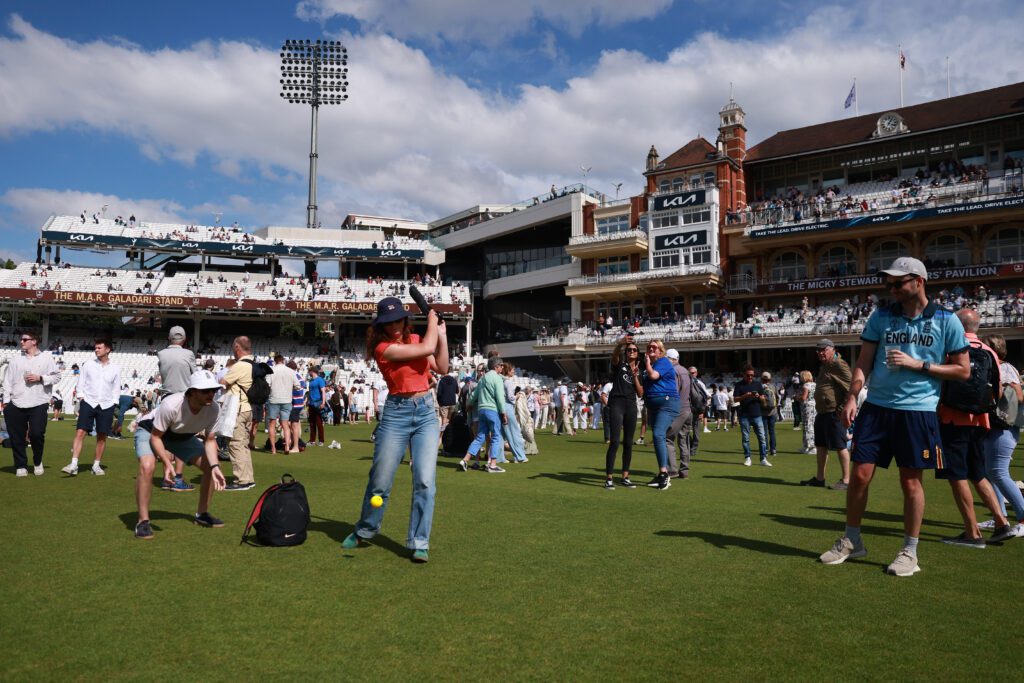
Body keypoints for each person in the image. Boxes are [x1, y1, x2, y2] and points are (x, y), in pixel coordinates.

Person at [820, 256, 970, 577]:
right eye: (889, 283)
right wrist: (851, 397)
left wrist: (920, 365)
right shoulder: (882, 316)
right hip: (876, 407)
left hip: (918, 412)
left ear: (919, 281)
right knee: (859, 476)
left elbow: (962, 369)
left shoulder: (947, 320)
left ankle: (910, 551)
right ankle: (852, 540)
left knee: (910, 481)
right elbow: (863, 362)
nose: (892, 289)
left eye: (898, 283)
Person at [342, 297, 448, 563]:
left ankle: (419, 541)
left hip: (425, 412)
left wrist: (443, 336)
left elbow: (443, 367)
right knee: (380, 480)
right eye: (388, 323)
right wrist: (433, 322)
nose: (395, 326)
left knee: (425, 481)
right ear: (382, 326)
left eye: (398, 320)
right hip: (396, 414)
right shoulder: (382, 348)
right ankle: (365, 529)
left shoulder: (415, 339)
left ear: (404, 319)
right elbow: (427, 347)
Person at [935, 309, 1015, 546]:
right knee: (977, 473)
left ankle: (972, 532)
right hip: (981, 421)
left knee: (956, 475)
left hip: (951, 418)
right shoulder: (990, 352)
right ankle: (1001, 523)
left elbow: (939, 382)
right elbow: (998, 392)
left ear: (956, 325)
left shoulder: (952, 348)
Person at [133, 370, 227, 539]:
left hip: (181, 436)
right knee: (147, 466)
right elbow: (156, 437)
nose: (211, 394)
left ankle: (202, 514)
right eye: (205, 391)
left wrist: (214, 466)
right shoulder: (172, 404)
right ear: (192, 392)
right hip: (150, 431)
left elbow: (210, 440)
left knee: (210, 468)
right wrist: (167, 463)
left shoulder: (214, 409)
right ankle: (143, 521)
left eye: (213, 390)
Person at [981, 334, 1024, 536]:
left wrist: (991, 390)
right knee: (992, 473)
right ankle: (1000, 516)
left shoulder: (1004, 368)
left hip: (1004, 425)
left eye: (985, 345)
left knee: (998, 472)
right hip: (994, 426)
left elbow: (1018, 395)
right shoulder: (992, 367)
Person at [2, 331, 60, 477]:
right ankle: (21, 465)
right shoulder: (16, 360)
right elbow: (7, 381)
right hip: (16, 401)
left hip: (38, 401)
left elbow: (57, 376)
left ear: (34, 341)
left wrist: (40, 377)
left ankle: (37, 461)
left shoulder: (47, 359)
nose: (21, 342)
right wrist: (7, 402)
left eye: (24, 339)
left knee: (36, 434)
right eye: (21, 339)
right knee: (17, 436)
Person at [60, 339, 120, 476]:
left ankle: (96, 465)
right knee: (80, 432)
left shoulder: (115, 368)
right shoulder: (87, 365)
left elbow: (116, 387)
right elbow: (80, 383)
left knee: (101, 436)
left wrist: (114, 402)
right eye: (96, 347)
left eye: (99, 347)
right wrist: (82, 397)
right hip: (89, 402)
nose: (96, 349)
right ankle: (74, 464)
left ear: (108, 349)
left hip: (107, 405)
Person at [800, 339, 852, 488]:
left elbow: (851, 388)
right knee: (821, 446)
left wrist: (841, 410)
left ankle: (846, 480)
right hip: (822, 412)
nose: (820, 353)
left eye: (823, 350)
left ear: (833, 349)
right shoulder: (825, 366)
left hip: (834, 413)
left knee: (840, 446)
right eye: (818, 351)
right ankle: (820, 478)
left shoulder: (839, 365)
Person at [157, 326, 197, 491]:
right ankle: (178, 479)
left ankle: (167, 477)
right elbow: (193, 375)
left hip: (166, 398)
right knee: (182, 440)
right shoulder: (188, 354)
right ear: (184, 339)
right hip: (183, 399)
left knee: (167, 441)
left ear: (169, 337)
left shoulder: (161, 354)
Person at [457, 356, 507, 473]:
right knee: (495, 436)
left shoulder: (483, 378)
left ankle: (465, 460)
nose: (502, 367)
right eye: (501, 365)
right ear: (496, 367)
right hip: (492, 410)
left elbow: (474, 395)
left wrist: (468, 404)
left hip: (481, 410)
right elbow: (500, 398)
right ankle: (492, 464)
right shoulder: (497, 378)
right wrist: (503, 413)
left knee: (480, 437)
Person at [603, 340, 642, 489]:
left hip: (631, 405)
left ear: (638, 354)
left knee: (628, 443)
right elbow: (614, 358)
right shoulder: (620, 365)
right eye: (629, 350)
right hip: (617, 403)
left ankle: (625, 477)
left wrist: (636, 376)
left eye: (634, 350)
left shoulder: (639, 370)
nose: (631, 351)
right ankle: (609, 478)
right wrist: (620, 344)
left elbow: (640, 393)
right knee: (615, 441)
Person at [641, 340, 679, 490]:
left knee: (658, 435)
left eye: (654, 347)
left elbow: (653, 376)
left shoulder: (663, 361)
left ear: (660, 351)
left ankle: (664, 473)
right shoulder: (653, 364)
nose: (651, 348)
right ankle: (661, 472)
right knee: (658, 437)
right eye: (649, 346)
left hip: (666, 404)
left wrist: (647, 363)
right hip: (655, 406)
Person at [219, 336, 256, 491]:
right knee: (243, 445)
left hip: (237, 408)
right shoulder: (253, 363)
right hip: (247, 407)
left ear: (237, 347)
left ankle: (242, 480)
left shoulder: (240, 366)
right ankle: (248, 478)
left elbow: (222, 382)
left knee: (235, 444)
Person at [734, 365, 770, 467]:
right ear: (744, 374)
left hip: (757, 414)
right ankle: (748, 458)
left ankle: (763, 458)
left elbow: (763, 399)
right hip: (744, 415)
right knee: (746, 438)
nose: (750, 377)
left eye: (752, 375)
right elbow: (735, 399)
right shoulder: (739, 385)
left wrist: (759, 397)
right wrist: (745, 396)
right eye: (748, 375)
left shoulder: (758, 384)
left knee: (762, 437)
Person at [665, 349, 693, 480]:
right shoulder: (685, 371)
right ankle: (684, 470)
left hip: (678, 409)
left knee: (668, 438)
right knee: (684, 440)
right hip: (688, 409)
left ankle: (672, 469)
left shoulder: (674, 371)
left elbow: (673, 391)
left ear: (670, 359)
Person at [267, 353, 300, 454]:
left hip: (274, 399)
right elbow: (298, 386)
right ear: (283, 361)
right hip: (286, 400)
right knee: (285, 424)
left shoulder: (271, 370)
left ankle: (273, 449)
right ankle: (287, 447)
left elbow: (267, 384)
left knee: (272, 424)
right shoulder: (290, 371)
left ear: (275, 361)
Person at [500, 362, 528, 463]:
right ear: (508, 371)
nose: (514, 371)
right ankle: (519, 456)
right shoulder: (508, 382)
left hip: (503, 408)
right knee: (514, 432)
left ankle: (500, 457)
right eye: (512, 370)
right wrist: (518, 396)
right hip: (508, 408)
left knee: (502, 434)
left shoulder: (502, 381)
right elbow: (511, 397)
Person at [515, 386, 538, 457]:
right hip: (526, 413)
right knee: (527, 432)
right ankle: (530, 448)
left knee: (527, 432)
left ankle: (529, 449)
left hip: (527, 412)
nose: (526, 390)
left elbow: (520, 407)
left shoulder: (522, 396)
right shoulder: (523, 396)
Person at [287, 360, 305, 453]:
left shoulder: (293, 376)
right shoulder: (299, 376)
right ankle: (294, 444)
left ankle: (295, 446)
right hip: (299, 403)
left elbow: (293, 392)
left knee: (293, 425)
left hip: (294, 403)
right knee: (295, 425)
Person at [760, 371, 778, 458]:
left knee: (764, 432)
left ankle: (765, 450)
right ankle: (773, 449)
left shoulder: (760, 387)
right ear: (770, 379)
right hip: (773, 412)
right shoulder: (773, 386)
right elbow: (777, 397)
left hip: (763, 412)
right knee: (772, 432)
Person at [307, 366, 327, 446]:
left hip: (318, 403)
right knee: (312, 423)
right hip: (311, 404)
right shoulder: (311, 381)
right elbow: (310, 392)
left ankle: (321, 440)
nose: (308, 373)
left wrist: (323, 402)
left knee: (319, 422)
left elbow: (323, 391)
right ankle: (312, 441)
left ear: (312, 371)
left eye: (309, 371)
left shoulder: (320, 380)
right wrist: (307, 400)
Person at [799, 371, 817, 454]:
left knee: (808, 426)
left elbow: (804, 398)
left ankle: (811, 447)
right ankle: (806, 446)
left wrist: (796, 397)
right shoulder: (815, 384)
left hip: (808, 406)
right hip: (814, 406)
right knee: (811, 425)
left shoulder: (806, 385)